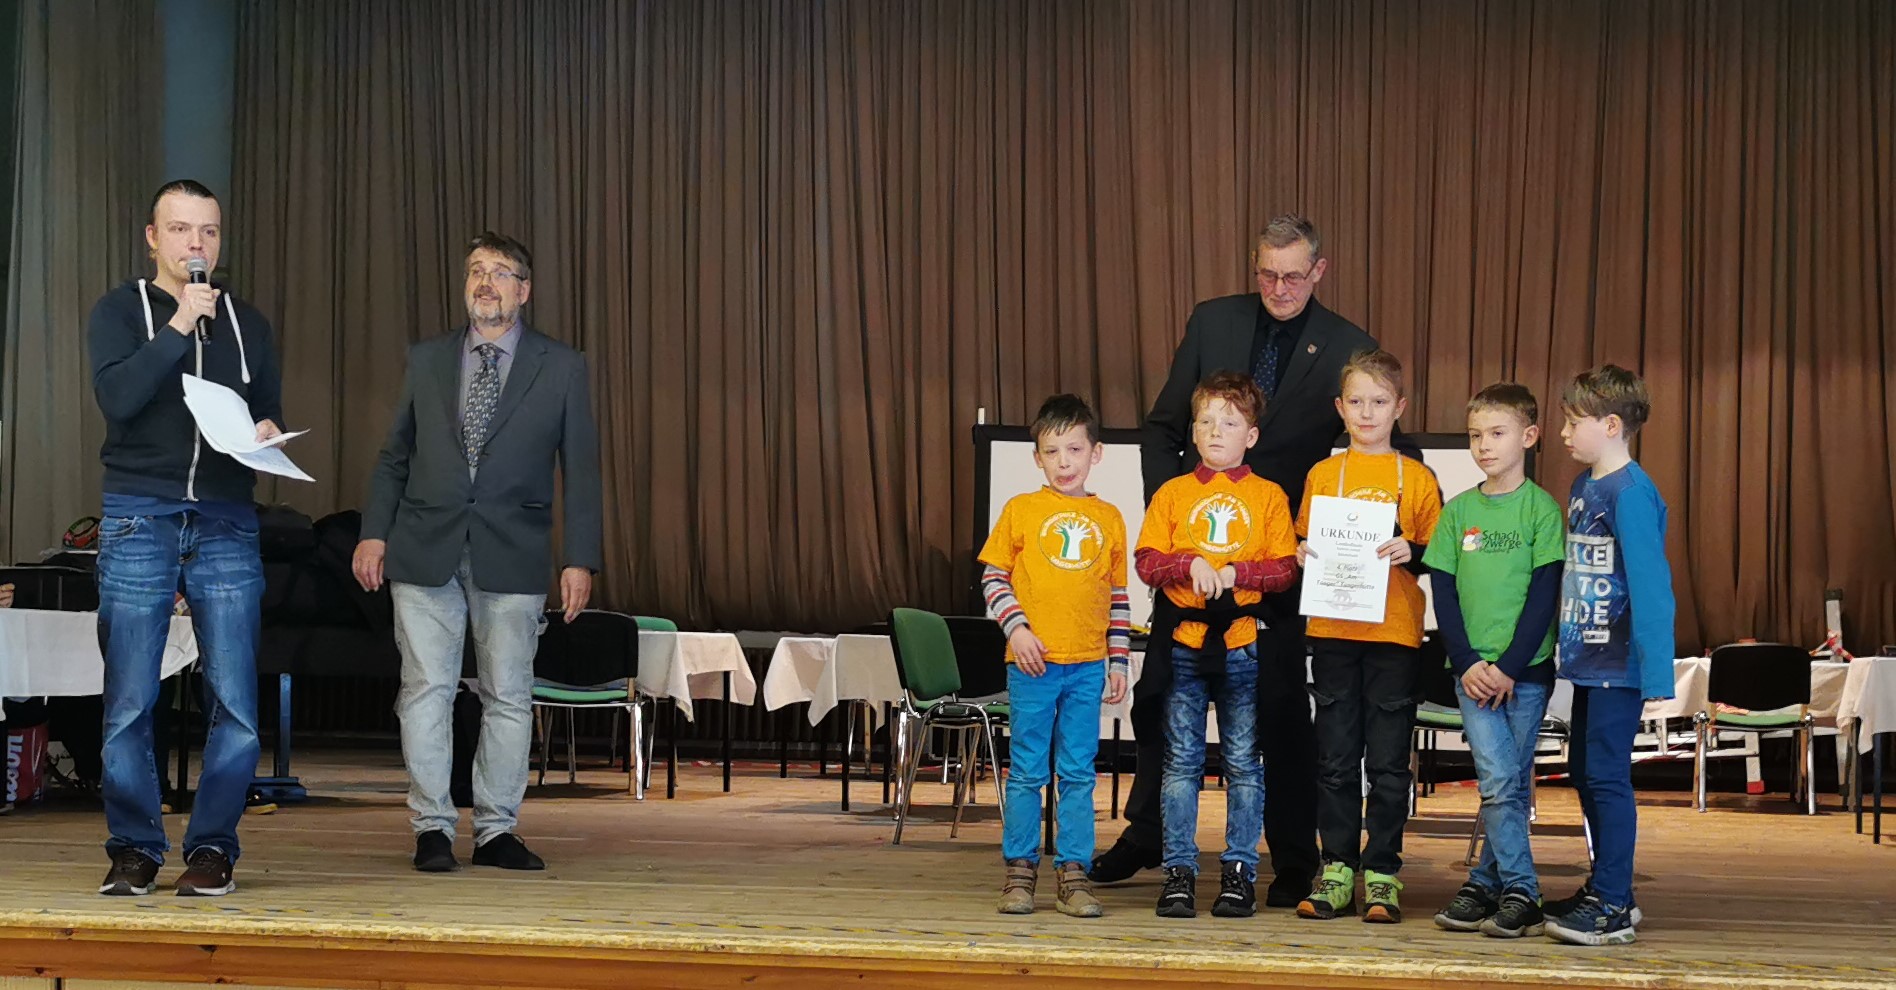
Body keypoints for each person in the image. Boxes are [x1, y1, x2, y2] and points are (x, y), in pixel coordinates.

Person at [1100, 214, 1414, 908]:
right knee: (1165, 701)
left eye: (1293, 275)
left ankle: (1295, 859)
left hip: (1282, 557)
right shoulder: (1211, 319)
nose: (1278, 286)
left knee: (1278, 713)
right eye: (1266, 273)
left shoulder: (1350, 345)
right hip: (1188, 562)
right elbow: (1162, 425)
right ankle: (1146, 834)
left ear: (1320, 270)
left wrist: (1362, 529)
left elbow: (1392, 446)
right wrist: (1176, 521)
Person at [354, 232, 603, 873]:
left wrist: (580, 558)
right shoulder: (427, 358)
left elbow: (581, 470)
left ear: (524, 290)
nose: (484, 282)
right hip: (423, 545)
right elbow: (394, 457)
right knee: (425, 690)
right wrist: (373, 531)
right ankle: (432, 827)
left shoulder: (562, 364)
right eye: (474, 271)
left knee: (509, 694)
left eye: (499, 272)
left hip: (513, 552)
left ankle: (496, 831)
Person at [88, 179, 285, 897]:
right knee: (131, 699)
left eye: (207, 232)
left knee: (234, 699)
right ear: (153, 237)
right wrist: (177, 327)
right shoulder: (121, 311)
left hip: (227, 518)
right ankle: (135, 846)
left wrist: (266, 432)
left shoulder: (248, 323)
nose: (196, 244)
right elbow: (117, 399)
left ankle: (212, 848)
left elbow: (266, 408)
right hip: (141, 514)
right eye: (180, 230)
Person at [1137, 373, 1297, 919]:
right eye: (1204, 421)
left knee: (1244, 763)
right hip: (1184, 642)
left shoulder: (1269, 496)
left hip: (1242, 644)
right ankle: (1178, 871)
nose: (1214, 431)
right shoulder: (1174, 493)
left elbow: (1283, 568)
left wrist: (1233, 572)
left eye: (1229, 422)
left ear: (1250, 435)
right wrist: (1190, 563)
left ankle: (1239, 871)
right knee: (1181, 762)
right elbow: (1147, 562)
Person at [1294, 349, 1441, 924]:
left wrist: (1416, 552)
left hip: (1394, 634)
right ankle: (1335, 869)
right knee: (1333, 758)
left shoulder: (1419, 478)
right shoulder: (1323, 475)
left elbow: (1439, 555)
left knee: (1387, 763)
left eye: (1379, 402)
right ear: (1339, 407)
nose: (1366, 411)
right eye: (1355, 401)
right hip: (1331, 629)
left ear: (1399, 407)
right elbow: (1304, 539)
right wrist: (1304, 551)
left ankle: (1381, 872)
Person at [979, 394, 1130, 917]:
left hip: (1088, 665)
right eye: (1052, 451)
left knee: (1079, 772)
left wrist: (1117, 659)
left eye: (1074, 449)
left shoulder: (1109, 517)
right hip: (1032, 666)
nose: (1064, 462)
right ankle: (1019, 873)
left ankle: (1074, 874)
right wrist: (1017, 630)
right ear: (1037, 458)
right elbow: (993, 577)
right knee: (1025, 772)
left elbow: (1117, 595)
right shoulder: (1021, 510)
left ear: (1096, 453)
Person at [1542, 365, 1674, 946]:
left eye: (1575, 422)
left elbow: (1651, 587)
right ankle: (1607, 887)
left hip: (1619, 668)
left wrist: (1657, 672)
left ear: (1612, 424)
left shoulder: (1632, 493)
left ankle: (1614, 904)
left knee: (1607, 776)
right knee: (1583, 773)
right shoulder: (1583, 487)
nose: (1565, 432)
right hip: (1587, 662)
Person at [1426, 384, 1564, 939]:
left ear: (1529, 437)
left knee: (1503, 781)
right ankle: (1519, 890)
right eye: (1475, 435)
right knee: (1500, 779)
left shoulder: (1542, 509)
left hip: (1524, 674)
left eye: (1497, 433)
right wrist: (1466, 663)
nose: (1484, 445)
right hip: (1470, 675)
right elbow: (1444, 594)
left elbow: (1542, 595)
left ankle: (1490, 883)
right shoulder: (1458, 513)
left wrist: (1508, 666)